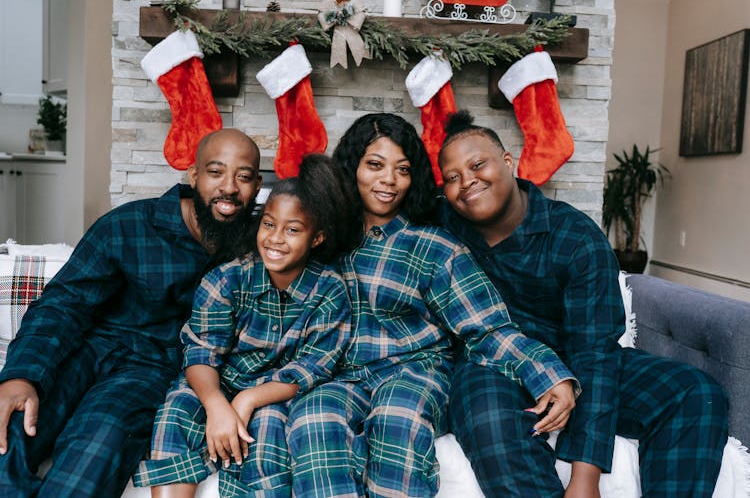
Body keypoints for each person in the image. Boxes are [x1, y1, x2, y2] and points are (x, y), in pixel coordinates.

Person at [286, 113, 579, 498]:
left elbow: (487, 328)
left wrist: (549, 375)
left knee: (397, 416)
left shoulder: (434, 246)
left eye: (402, 169)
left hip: (416, 373)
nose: (389, 180)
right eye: (375, 165)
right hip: (342, 377)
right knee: (312, 415)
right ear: (351, 168)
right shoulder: (325, 239)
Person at [438, 110, 729, 497]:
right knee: (486, 417)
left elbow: (595, 352)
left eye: (477, 165)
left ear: (509, 162)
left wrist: (585, 476)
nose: (467, 182)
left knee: (694, 392)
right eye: (452, 177)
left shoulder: (575, 237)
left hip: (578, 357)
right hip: (492, 365)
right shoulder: (444, 225)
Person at [0, 128, 263, 497]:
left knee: (88, 464)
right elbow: (63, 304)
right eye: (216, 172)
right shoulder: (129, 225)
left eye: (244, 176)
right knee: (9, 431)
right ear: (194, 176)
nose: (230, 188)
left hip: (149, 372)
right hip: (87, 350)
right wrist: (22, 376)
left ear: (257, 185)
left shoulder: (263, 242)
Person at [133, 154, 359, 497]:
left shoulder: (330, 289)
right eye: (269, 224)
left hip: (275, 391)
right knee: (178, 407)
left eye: (293, 229)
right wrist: (217, 405)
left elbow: (310, 369)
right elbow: (201, 354)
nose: (276, 238)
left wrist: (249, 399)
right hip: (216, 381)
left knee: (268, 429)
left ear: (316, 238)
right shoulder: (227, 278)